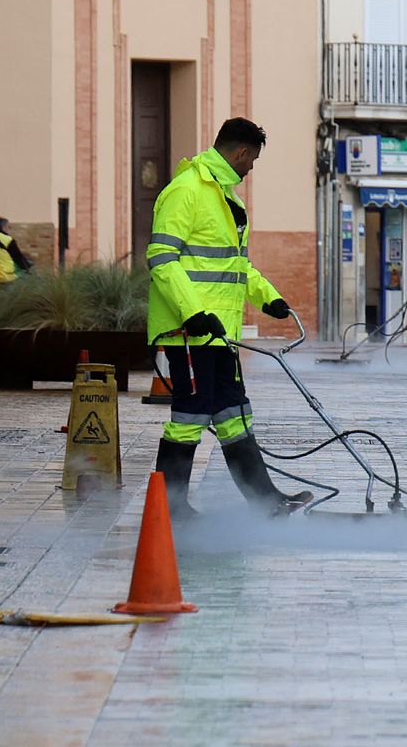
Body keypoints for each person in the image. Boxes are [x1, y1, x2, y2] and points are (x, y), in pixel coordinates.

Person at [146, 117, 311, 518]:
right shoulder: (186, 191)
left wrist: (271, 299)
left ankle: (266, 502)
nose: (251, 168)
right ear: (239, 152)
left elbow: (237, 266)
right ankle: (170, 510)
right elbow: (162, 260)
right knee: (190, 415)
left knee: (234, 414)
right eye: (252, 160)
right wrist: (195, 312)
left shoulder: (224, 196)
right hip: (190, 331)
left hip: (219, 334)